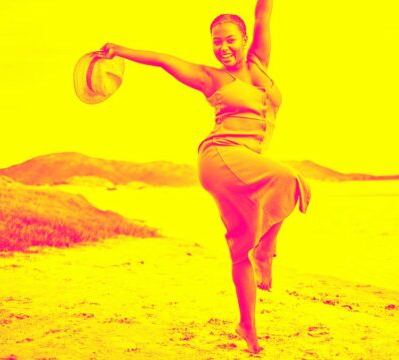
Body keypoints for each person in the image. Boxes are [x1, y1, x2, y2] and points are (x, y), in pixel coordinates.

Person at [100, 0, 310, 354]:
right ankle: (267, 252)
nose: (223, 48)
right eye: (216, 42)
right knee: (289, 179)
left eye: (229, 40)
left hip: (246, 161)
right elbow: (165, 60)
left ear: (245, 39)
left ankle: (248, 329)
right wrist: (122, 50)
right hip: (220, 157)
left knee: (239, 245)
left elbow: (264, 12)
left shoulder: (259, 65)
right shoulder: (210, 77)